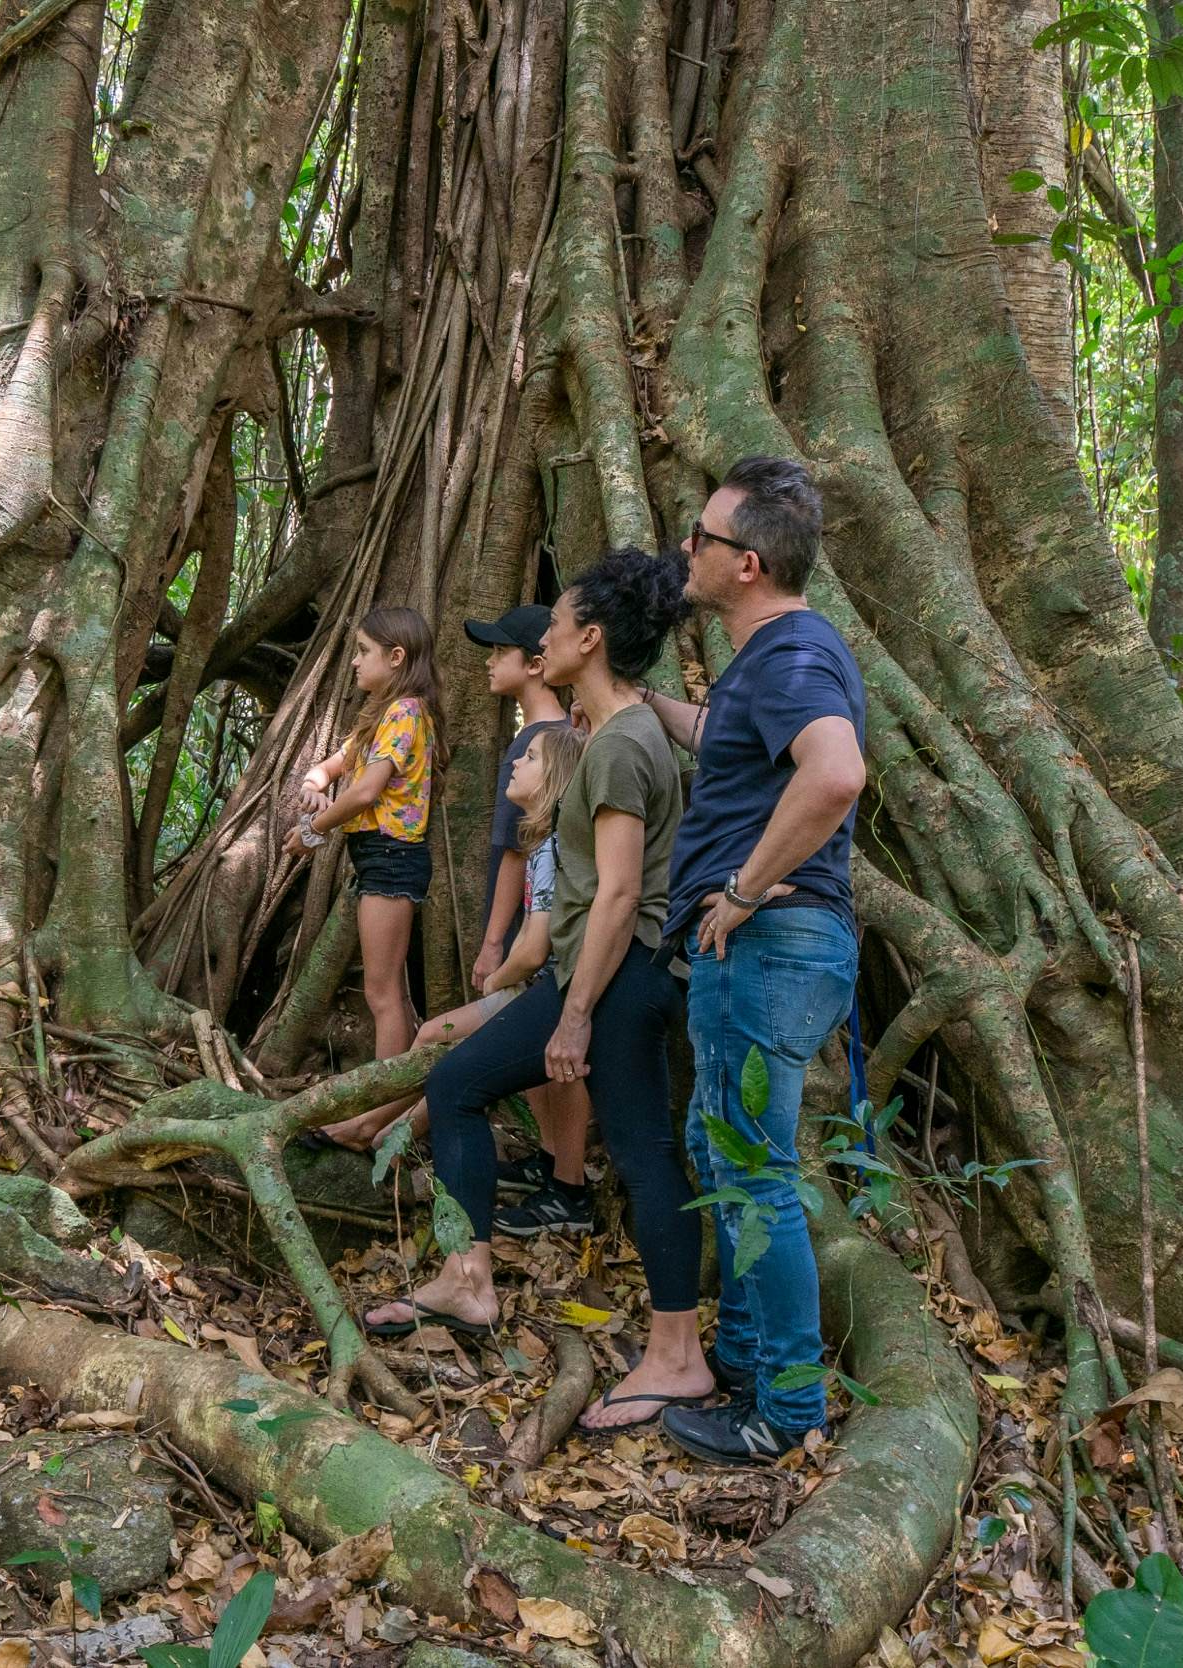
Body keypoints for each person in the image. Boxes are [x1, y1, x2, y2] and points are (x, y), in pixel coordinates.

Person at [361, 549, 710, 1435]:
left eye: (554, 627)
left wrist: (578, 1010)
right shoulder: (611, 735)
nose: (544, 638)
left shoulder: (625, 743)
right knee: (616, 1141)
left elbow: (621, 892)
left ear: (588, 640)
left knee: (500, 1098)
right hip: (612, 971)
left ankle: (671, 1354)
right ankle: (476, 1279)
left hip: (619, 974)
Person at [638, 455, 866, 1467]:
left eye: (702, 538)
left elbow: (835, 775)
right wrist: (641, 703)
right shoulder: (764, 664)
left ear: (749, 562)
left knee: (753, 1172)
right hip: (764, 948)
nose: (686, 549)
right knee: (721, 1148)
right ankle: (745, 1356)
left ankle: (786, 1407)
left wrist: (738, 889)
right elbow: (724, 740)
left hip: (767, 941)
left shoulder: (790, 656)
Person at [305, 726, 592, 1242]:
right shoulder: (540, 846)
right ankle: (380, 1130)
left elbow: (533, 950)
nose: (515, 764)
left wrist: (497, 979)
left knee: (450, 1061)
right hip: (529, 989)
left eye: (528, 758)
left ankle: (377, 1133)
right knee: (434, 1033)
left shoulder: (551, 851)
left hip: (540, 994)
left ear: (553, 782)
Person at [462, 606, 593, 1230]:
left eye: (498, 652)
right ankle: (551, 1163)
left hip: (533, 930)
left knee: (555, 1054)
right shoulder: (542, 736)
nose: (489, 662)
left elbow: (520, 849)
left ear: (536, 663)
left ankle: (567, 1180)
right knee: (546, 1053)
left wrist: (494, 943)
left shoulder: (543, 744)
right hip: (530, 924)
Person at [285, 607, 445, 1063]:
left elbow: (365, 792)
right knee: (390, 990)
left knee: (382, 993)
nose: (354, 662)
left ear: (396, 657)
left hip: (392, 857)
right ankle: (386, 1101)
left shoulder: (405, 712)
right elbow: (330, 767)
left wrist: (311, 831)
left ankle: (377, 1106)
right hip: (379, 856)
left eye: (362, 651)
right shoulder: (381, 718)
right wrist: (313, 787)